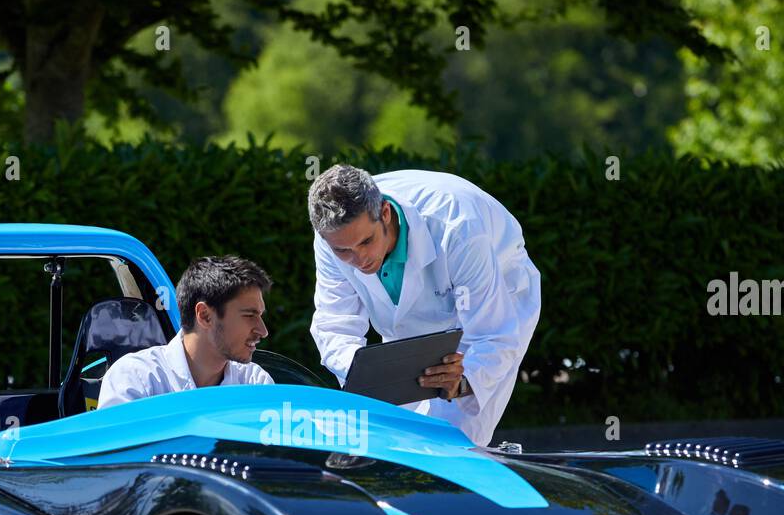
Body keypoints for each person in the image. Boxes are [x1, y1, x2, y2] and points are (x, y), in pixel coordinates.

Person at [307, 165, 541, 445]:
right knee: (384, 436)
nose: (360, 259)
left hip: (497, 295)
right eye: (343, 251)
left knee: (449, 439)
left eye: (367, 241)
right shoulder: (331, 237)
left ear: (385, 213)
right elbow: (334, 325)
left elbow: (494, 334)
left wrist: (462, 382)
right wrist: (366, 374)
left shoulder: (458, 228)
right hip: (407, 333)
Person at [97, 255, 274, 408]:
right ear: (205, 316)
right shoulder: (135, 377)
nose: (263, 330)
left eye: (260, 315)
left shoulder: (255, 382)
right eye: (250, 315)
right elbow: (114, 447)